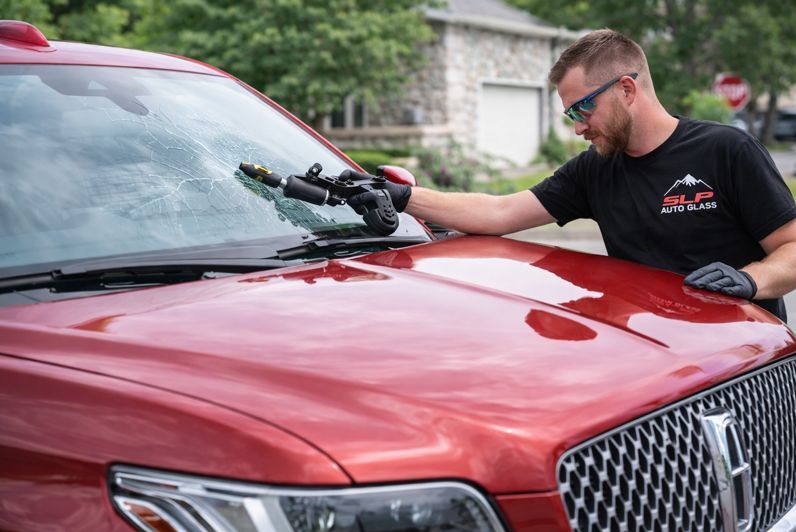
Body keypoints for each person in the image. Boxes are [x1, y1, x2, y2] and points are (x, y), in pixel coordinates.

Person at [346, 29, 796, 322]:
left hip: (745, 356)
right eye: (570, 114)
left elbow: (790, 248)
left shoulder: (726, 150)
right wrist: (402, 197)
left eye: (584, 108)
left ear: (626, 89)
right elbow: (501, 211)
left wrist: (752, 279)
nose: (578, 126)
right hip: (658, 362)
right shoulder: (596, 169)